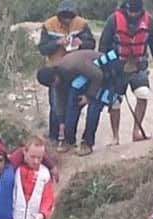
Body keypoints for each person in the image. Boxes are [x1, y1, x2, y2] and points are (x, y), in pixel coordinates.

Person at [99, 0, 153, 144]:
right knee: (115, 102)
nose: (134, 15)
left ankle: (136, 131)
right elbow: (103, 45)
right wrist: (104, 69)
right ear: (126, 8)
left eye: (137, 12)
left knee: (143, 93)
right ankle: (115, 137)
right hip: (117, 68)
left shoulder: (148, 20)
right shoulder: (113, 20)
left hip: (138, 65)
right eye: (131, 12)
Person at [37, 49, 123, 156]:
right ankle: (69, 140)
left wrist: (89, 96)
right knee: (72, 105)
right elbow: (60, 101)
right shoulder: (57, 80)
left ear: (55, 76)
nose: (55, 85)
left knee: (93, 109)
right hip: (85, 78)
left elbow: (98, 75)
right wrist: (62, 123)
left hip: (104, 73)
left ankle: (87, 143)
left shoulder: (71, 65)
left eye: (54, 82)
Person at [38, 0, 96, 144]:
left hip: (76, 70)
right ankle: (54, 135)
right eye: (64, 17)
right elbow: (42, 48)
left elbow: (91, 44)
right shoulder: (48, 25)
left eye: (70, 17)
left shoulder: (81, 24)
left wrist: (80, 43)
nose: (67, 20)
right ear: (58, 16)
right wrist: (57, 43)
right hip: (54, 70)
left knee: (73, 104)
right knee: (55, 103)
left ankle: (69, 137)